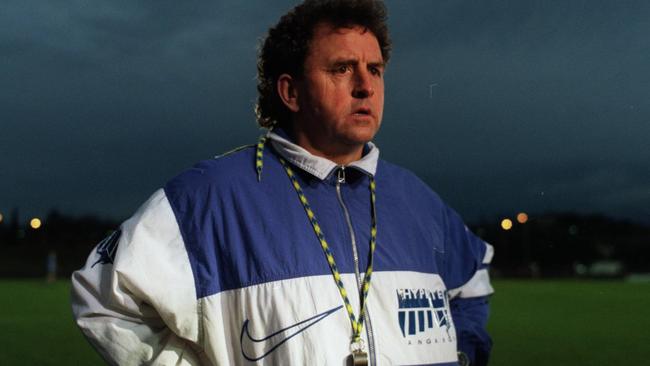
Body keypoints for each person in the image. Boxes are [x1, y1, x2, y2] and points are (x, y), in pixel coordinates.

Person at [71, 1, 494, 365]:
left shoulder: (417, 200)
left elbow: (472, 279)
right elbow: (102, 299)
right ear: (290, 92)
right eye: (342, 68)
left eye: (375, 70)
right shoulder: (211, 197)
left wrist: (462, 354)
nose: (366, 86)